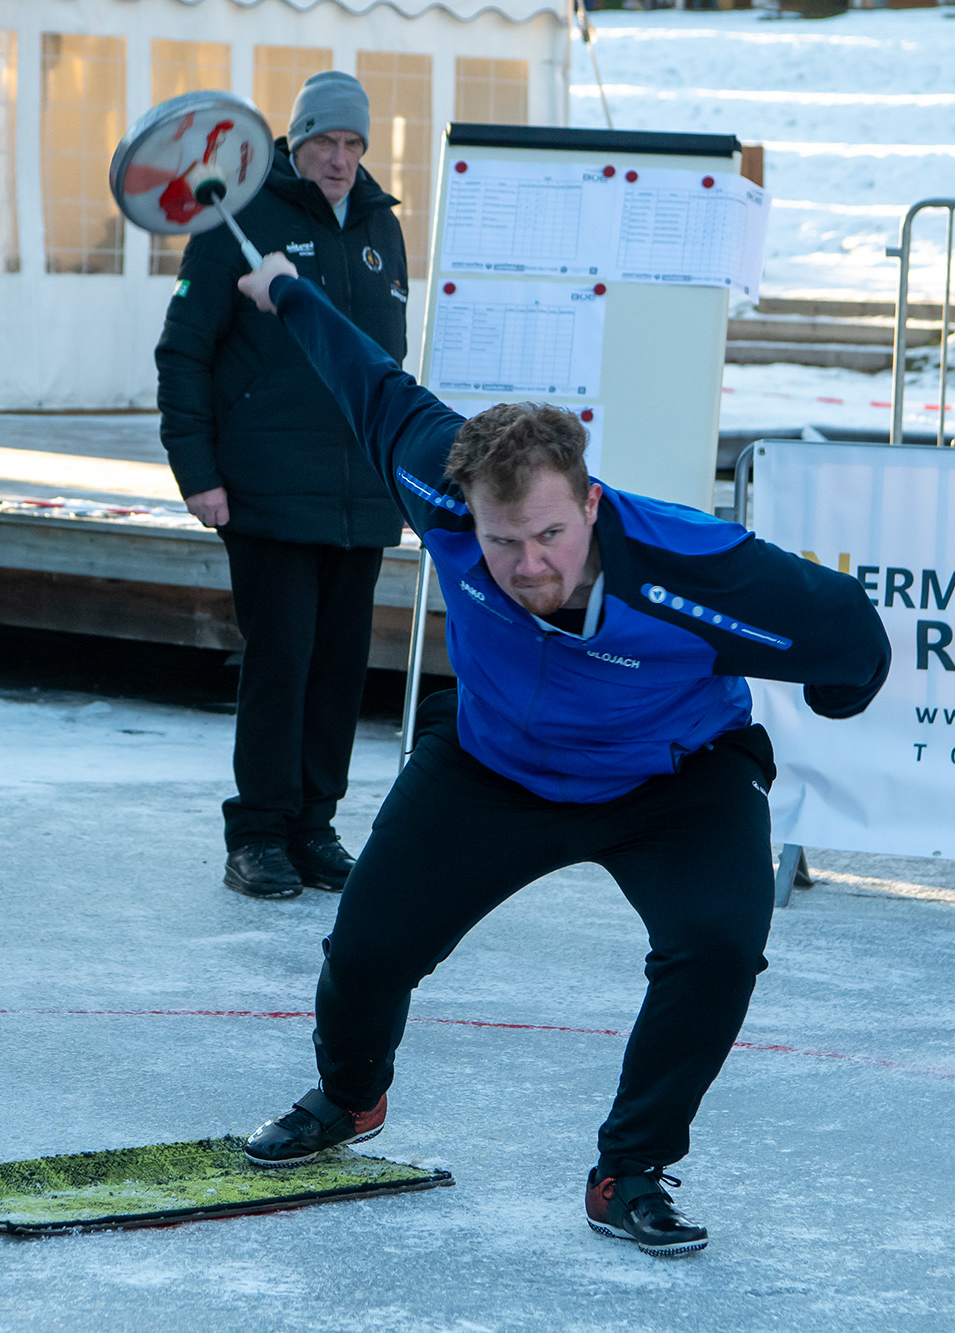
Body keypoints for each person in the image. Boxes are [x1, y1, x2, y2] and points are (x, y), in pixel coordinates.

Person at [227, 250, 892, 1258]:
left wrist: (842, 691)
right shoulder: (438, 489)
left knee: (716, 942)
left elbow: (846, 629)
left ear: (586, 505)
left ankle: (630, 1169)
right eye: (504, 544)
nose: (528, 563)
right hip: (495, 767)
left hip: (675, 774)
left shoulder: (682, 563)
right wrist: (281, 286)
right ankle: (349, 1099)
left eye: (547, 534)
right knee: (364, 951)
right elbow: (367, 379)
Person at [156, 71, 412, 900]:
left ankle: (313, 827)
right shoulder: (239, 218)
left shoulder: (380, 229)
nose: (339, 159)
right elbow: (184, 353)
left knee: (340, 670)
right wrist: (198, 472)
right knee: (281, 663)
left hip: (359, 494)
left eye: (352, 144)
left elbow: (385, 368)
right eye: (324, 142)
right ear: (293, 143)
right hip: (266, 489)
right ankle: (258, 833)